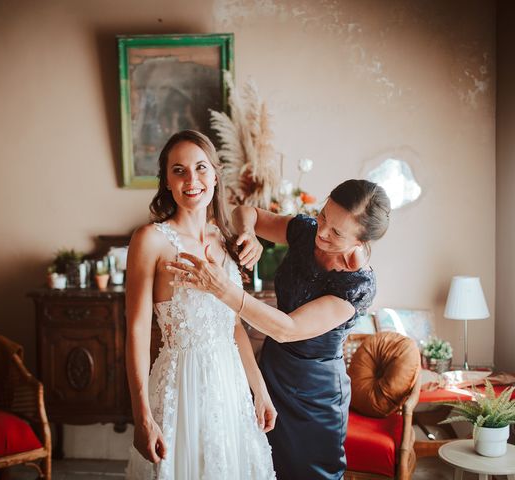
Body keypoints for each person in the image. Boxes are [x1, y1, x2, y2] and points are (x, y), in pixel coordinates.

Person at [166, 179, 391, 480]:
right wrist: (248, 232)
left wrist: (223, 289)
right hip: (271, 373)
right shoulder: (307, 233)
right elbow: (246, 212)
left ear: (361, 242)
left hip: (315, 393)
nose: (322, 232)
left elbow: (289, 329)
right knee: (262, 466)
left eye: (337, 232)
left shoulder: (357, 286)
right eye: (324, 216)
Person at [125, 130, 276, 480]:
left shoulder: (225, 240)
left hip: (230, 389)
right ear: (165, 180)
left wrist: (260, 390)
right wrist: (142, 417)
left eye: (200, 168)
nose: (191, 180)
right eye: (178, 170)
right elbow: (135, 331)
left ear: (215, 173)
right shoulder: (150, 240)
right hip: (180, 388)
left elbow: (233, 326)